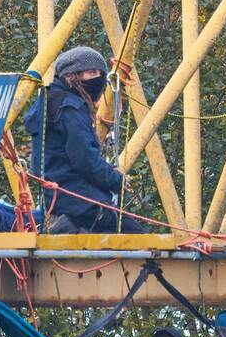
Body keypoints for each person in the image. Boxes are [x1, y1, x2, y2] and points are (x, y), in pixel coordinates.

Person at [24, 46, 147, 234]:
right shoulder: (70, 108)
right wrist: (116, 179)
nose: (97, 78)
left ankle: (65, 227)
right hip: (78, 199)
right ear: (72, 75)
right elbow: (84, 160)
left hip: (56, 196)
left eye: (100, 73)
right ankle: (66, 226)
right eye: (91, 72)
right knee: (140, 240)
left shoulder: (49, 100)